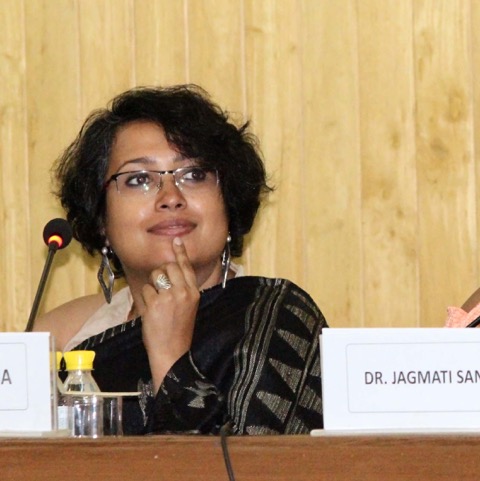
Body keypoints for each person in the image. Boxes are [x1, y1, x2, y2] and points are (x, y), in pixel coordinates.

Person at [34, 84, 328, 435]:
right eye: (139, 179)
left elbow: (254, 468)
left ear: (228, 206)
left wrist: (171, 357)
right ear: (102, 221)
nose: (170, 197)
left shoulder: (273, 318)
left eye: (194, 175)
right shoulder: (61, 337)